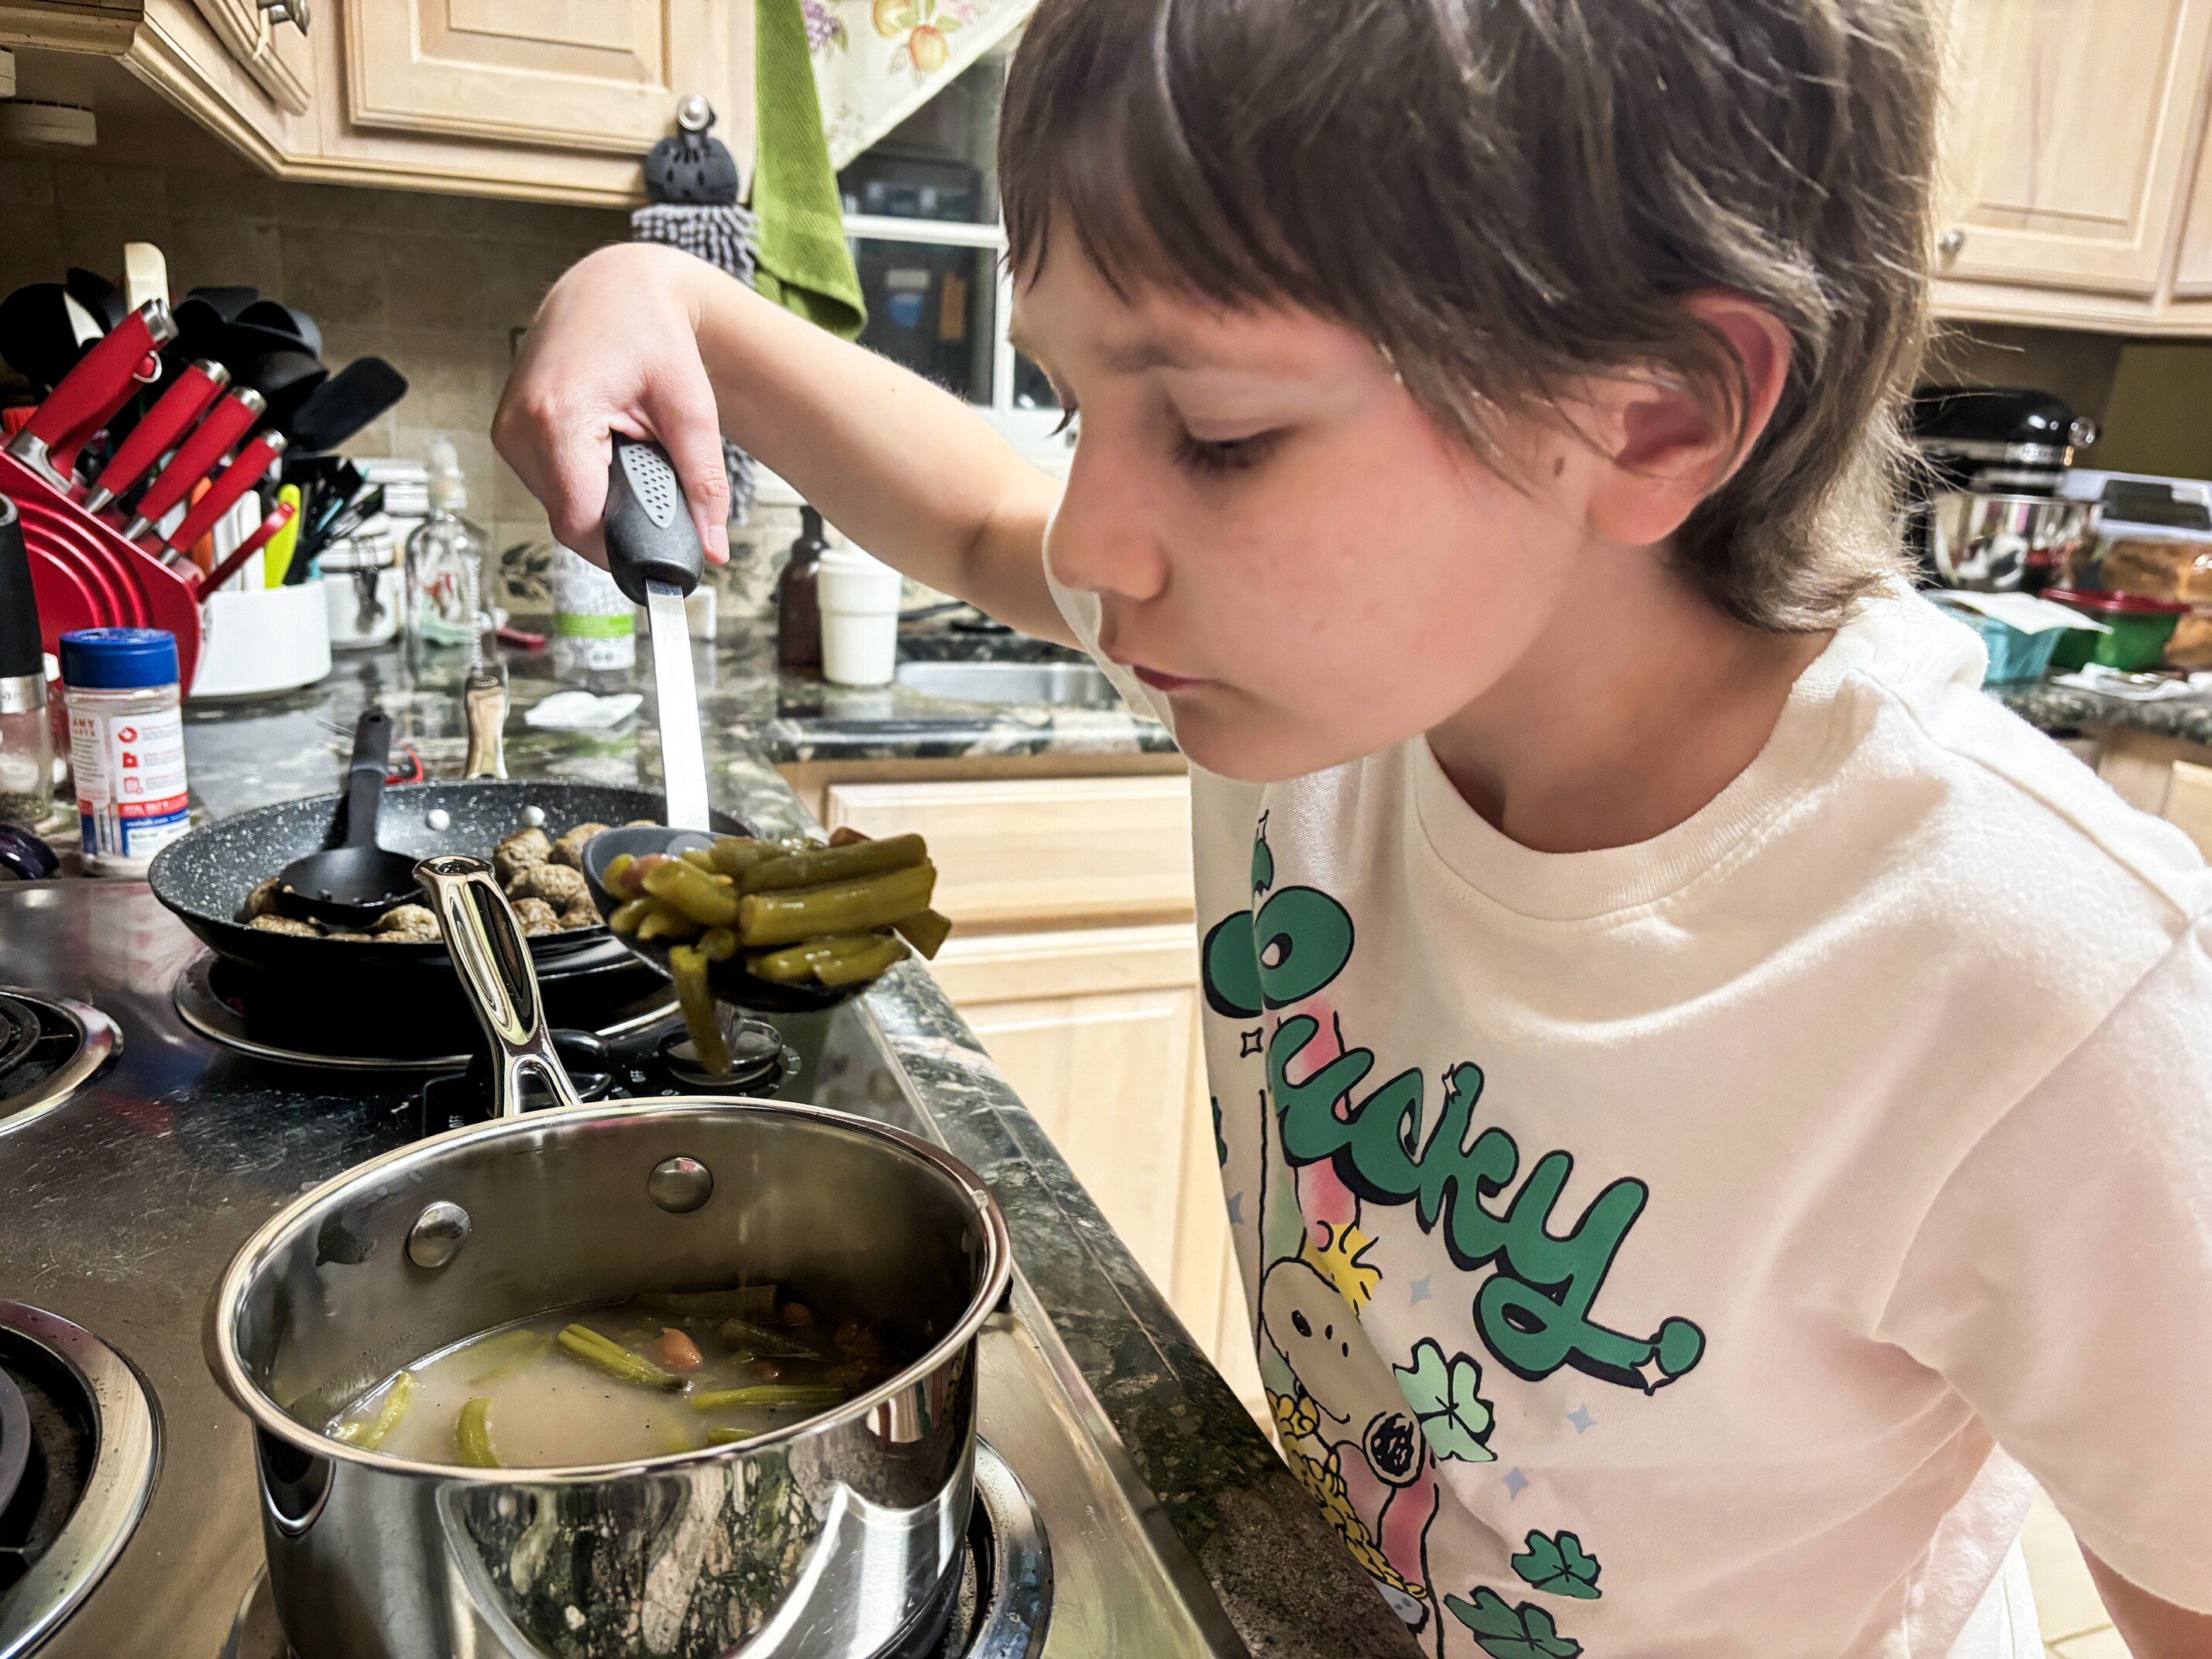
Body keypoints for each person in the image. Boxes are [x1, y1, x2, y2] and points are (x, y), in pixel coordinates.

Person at [494, 1, 2212, 1652]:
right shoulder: (1334, 669)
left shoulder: (2041, 980)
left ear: (1656, 414)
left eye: (1220, 434)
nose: (1093, 544)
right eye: (1083, 406)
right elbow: (976, 515)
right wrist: (665, 294)